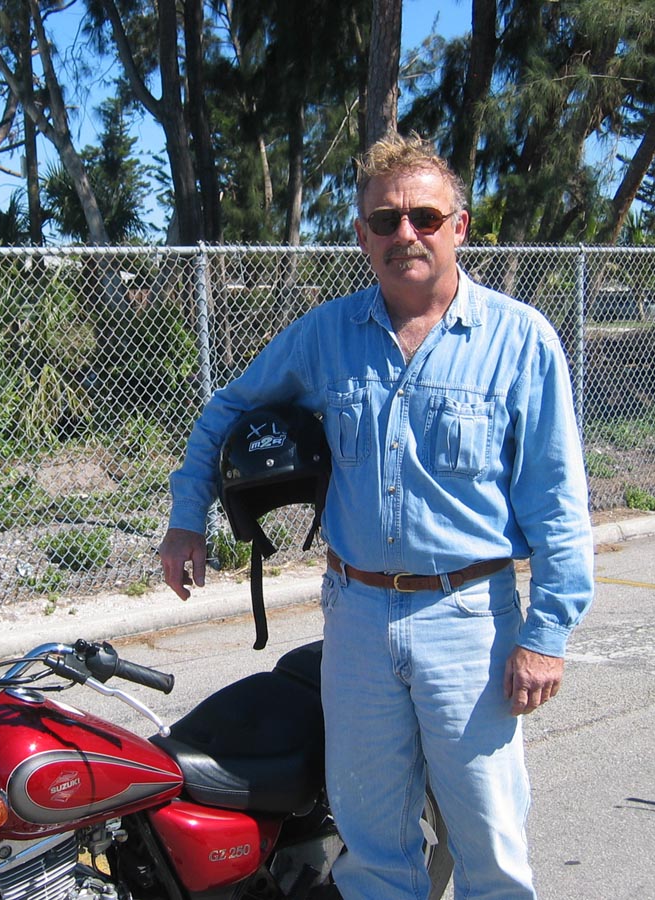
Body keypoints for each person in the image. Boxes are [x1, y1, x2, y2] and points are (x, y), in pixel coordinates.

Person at [159, 132, 594, 899]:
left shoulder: (520, 341)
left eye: (425, 217)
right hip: (356, 620)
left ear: (459, 227)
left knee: (490, 848)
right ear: (362, 235)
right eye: (386, 221)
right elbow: (227, 409)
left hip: (469, 620)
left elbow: (559, 502)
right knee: (372, 850)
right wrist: (186, 517)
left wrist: (546, 635)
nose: (406, 234)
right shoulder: (326, 337)